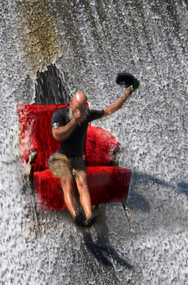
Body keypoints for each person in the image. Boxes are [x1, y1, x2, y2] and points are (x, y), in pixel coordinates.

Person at [50, 87, 134, 227]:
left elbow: (108, 111)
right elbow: (58, 134)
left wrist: (124, 97)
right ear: (70, 103)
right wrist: (74, 121)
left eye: (82, 109)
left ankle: (89, 216)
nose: (79, 112)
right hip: (61, 157)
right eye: (77, 108)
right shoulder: (60, 115)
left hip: (77, 158)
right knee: (67, 180)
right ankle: (76, 216)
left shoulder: (86, 114)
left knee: (82, 182)